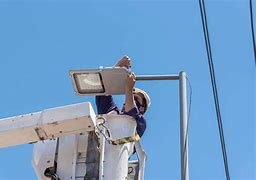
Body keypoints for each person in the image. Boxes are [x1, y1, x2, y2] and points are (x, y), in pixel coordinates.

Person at [95, 56, 150, 137]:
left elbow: (131, 111)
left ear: (141, 108)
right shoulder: (111, 112)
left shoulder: (140, 123)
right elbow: (103, 90)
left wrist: (129, 88)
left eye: (135, 98)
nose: (130, 97)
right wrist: (118, 69)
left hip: (121, 149)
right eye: (131, 95)